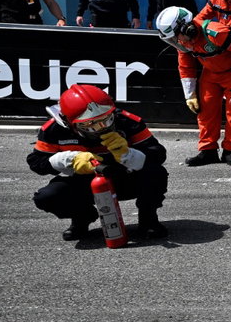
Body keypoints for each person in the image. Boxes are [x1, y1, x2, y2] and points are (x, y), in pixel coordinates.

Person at [27, 83, 167, 240]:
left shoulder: (128, 121)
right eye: (89, 124)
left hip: (124, 176)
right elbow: (36, 162)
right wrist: (69, 159)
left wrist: (128, 154)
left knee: (156, 173)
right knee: (46, 197)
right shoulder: (52, 130)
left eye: (106, 119)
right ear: (69, 123)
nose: (101, 127)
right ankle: (82, 217)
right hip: (83, 181)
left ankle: (148, 218)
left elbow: (158, 155)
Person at [156, 6, 231, 168]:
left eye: (176, 36)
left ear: (187, 28)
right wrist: (189, 95)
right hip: (209, 75)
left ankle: (230, 151)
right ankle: (208, 149)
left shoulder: (216, 32)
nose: (176, 41)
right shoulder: (184, 42)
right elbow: (185, 65)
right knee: (205, 111)